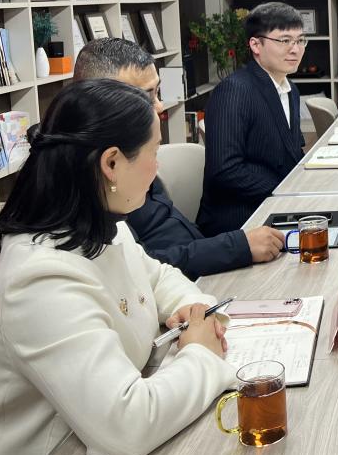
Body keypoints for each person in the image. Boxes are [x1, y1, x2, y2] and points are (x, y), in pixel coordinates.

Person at [0, 80, 237, 455]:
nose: (158, 166)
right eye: (154, 152)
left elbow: (157, 276)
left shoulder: (103, 223)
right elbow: (128, 426)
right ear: (112, 163)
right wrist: (201, 353)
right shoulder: (36, 280)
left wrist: (192, 307)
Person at [73, 38, 284, 278]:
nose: (159, 106)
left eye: (157, 92)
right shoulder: (90, 178)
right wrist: (236, 247)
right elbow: (141, 269)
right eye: (146, 96)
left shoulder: (132, 149)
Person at [199, 2, 306, 237]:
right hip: (241, 221)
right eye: (285, 40)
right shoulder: (235, 90)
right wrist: (286, 190)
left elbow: (291, 152)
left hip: (279, 205)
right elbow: (225, 170)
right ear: (256, 45)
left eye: (300, 40)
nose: (295, 49)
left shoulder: (290, 89)